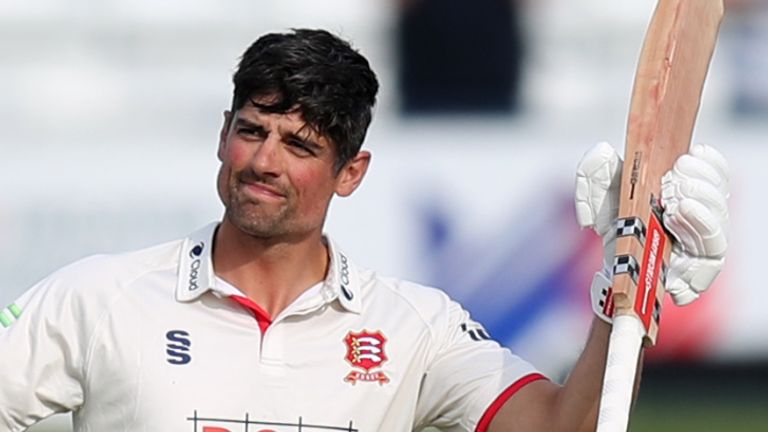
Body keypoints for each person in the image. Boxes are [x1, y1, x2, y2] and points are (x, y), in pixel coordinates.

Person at [0, 29, 729, 431]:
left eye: (300, 145)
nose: (262, 162)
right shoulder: (99, 297)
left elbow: (565, 430)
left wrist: (629, 300)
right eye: (251, 131)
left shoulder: (416, 328)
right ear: (222, 133)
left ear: (352, 172)